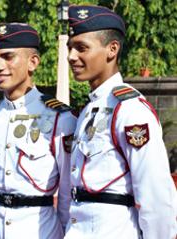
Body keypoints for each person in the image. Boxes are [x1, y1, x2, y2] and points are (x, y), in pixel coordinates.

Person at [65, 4, 177, 239]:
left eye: (81, 48)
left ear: (112, 49)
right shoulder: (89, 109)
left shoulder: (129, 109)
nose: (71, 57)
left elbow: (156, 196)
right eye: (70, 48)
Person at [0, 22, 77, 239]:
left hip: (40, 231)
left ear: (33, 62)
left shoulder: (59, 119)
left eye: (8, 57)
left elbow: (67, 194)